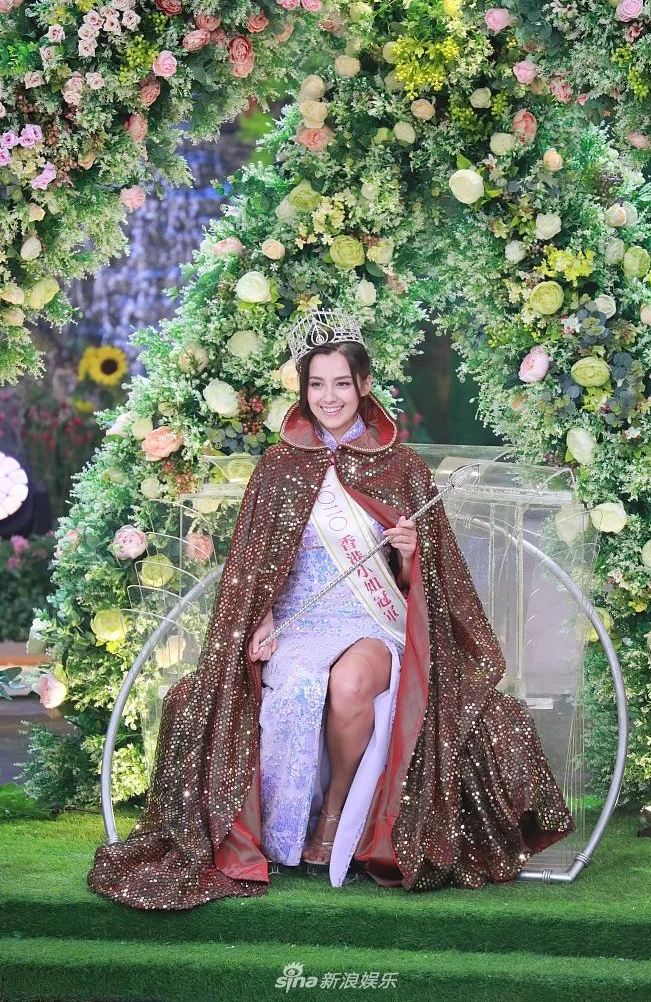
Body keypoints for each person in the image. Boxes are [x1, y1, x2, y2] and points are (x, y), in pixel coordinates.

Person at [87, 306, 576, 911]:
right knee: (292, 686)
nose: (329, 397)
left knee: (348, 685)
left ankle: (336, 812)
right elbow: (255, 565)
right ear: (303, 389)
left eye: (341, 383)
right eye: (316, 384)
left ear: (363, 385)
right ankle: (281, 837)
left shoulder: (400, 466)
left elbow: (433, 581)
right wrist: (262, 620)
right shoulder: (278, 468)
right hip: (301, 620)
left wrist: (410, 553)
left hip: (373, 620)